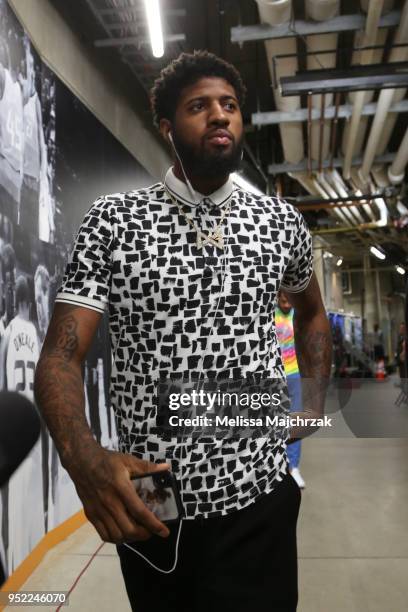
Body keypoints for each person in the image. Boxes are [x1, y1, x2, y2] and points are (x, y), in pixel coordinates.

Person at [34, 51, 332, 611]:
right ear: (167, 129)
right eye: (200, 107)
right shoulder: (116, 220)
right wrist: (84, 457)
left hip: (260, 495)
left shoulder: (278, 222)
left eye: (230, 106)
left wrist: (312, 402)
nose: (220, 116)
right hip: (154, 503)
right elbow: (59, 356)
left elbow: (311, 311)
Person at [276, 291, 305, 489]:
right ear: (278, 298)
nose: (286, 304)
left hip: (294, 374)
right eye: (283, 301)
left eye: (289, 301)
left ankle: (294, 467)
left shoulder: (298, 314)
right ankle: (277, 466)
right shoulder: (271, 315)